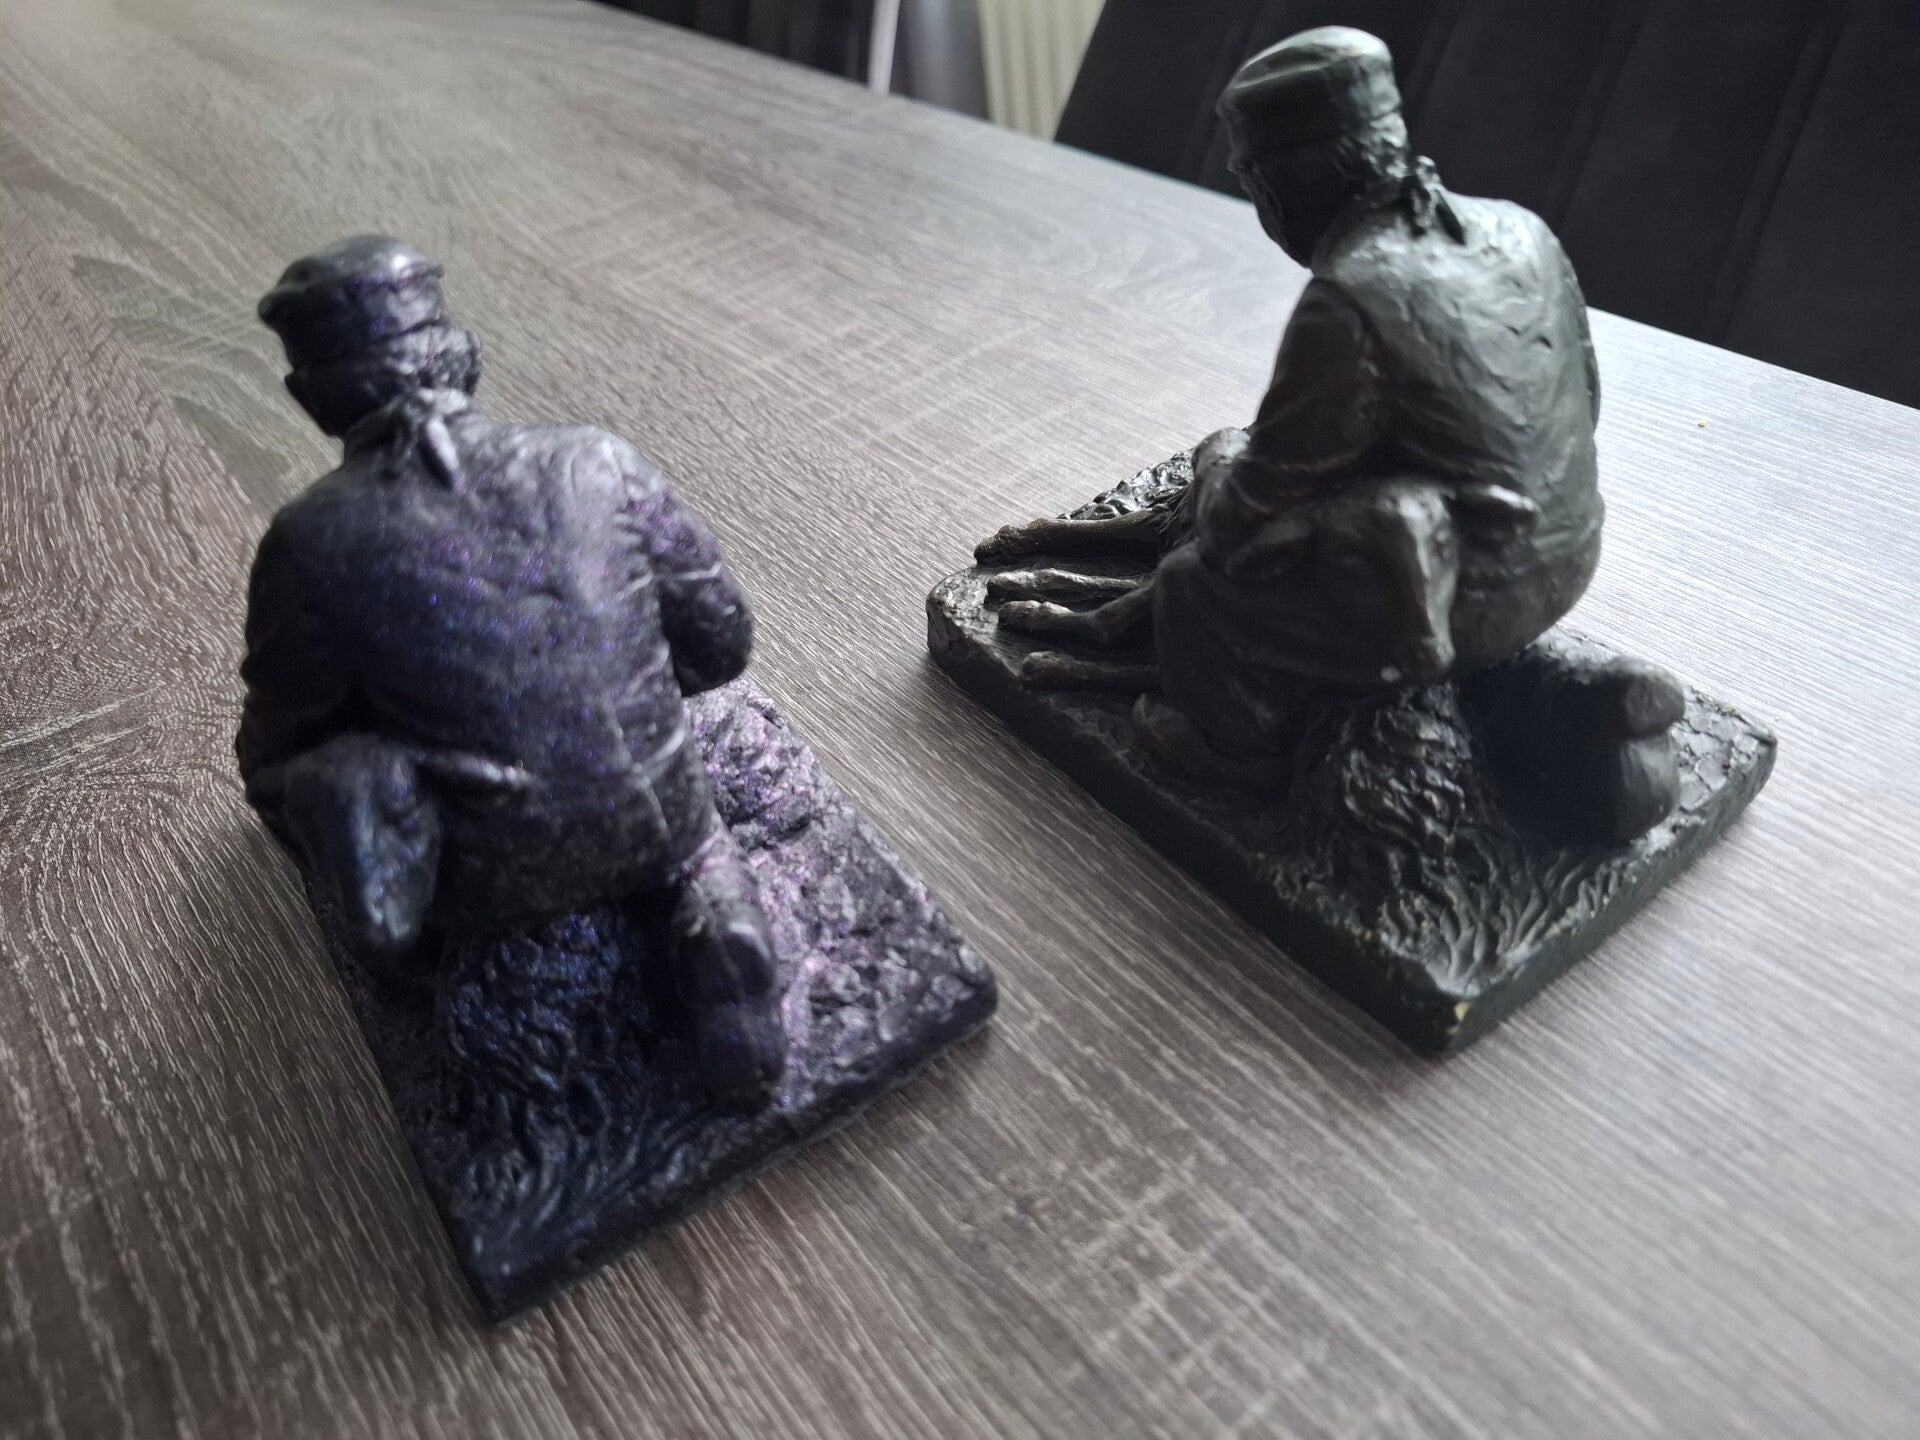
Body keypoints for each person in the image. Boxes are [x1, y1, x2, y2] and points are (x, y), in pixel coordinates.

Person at [986, 28, 1679, 837]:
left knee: (1191, 585)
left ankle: (1237, 746)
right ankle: (1555, 700)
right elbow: (1586, 401)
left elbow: (1242, 521)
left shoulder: (1348, 299)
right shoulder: (1520, 228)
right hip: (1571, 552)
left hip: (1454, 600)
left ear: (1279, 189)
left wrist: (1218, 467)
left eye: (1250, 184)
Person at [239, 235, 785, 1106]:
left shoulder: (307, 543)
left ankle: (435, 955)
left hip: (489, 870)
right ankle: (715, 918)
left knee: (326, 777)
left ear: (311, 398)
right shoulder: (597, 460)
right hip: (655, 809)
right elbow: (722, 643)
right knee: (693, 845)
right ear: (463, 352)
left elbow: (274, 752)